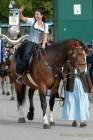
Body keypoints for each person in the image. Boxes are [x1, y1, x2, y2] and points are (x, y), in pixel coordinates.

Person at [15, 6, 49, 80]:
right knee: (25, 56)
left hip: (39, 44)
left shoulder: (45, 25)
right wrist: (20, 12)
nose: (36, 16)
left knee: (49, 55)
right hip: (30, 43)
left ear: (41, 15)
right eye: (35, 14)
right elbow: (22, 18)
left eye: (37, 14)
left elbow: (45, 36)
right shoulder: (32, 21)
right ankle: (20, 74)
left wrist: (43, 44)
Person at [61, 61, 93, 127]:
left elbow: (87, 75)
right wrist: (64, 77)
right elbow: (64, 73)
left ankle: (82, 121)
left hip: (82, 86)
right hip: (71, 86)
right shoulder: (68, 63)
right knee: (73, 103)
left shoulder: (83, 63)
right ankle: (74, 120)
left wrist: (91, 86)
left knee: (83, 102)